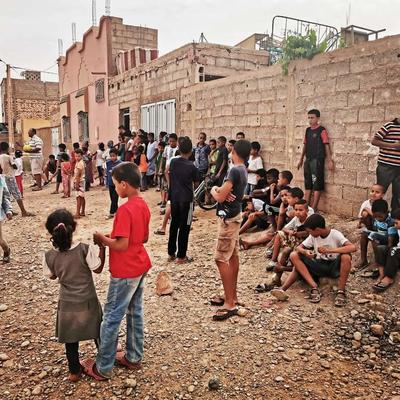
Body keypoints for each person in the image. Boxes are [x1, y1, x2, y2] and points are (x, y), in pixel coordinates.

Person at [83, 162, 152, 380]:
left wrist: (102, 239)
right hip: (140, 265)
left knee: (112, 316)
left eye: (114, 185)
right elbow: (143, 238)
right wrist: (113, 237)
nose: (114, 188)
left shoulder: (124, 209)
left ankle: (103, 367)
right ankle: (133, 356)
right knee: (135, 311)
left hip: (125, 270)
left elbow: (121, 245)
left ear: (123, 184)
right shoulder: (143, 205)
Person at [43, 208, 105, 382]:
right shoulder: (84, 249)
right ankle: (104, 362)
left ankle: (74, 372)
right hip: (88, 300)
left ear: (51, 232)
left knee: (70, 339)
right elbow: (98, 269)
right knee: (98, 331)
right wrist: (102, 247)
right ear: (74, 227)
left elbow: (52, 276)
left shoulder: (49, 255)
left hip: (67, 304)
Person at [272, 214, 356, 307]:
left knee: (346, 256)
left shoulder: (335, 234)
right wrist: (305, 252)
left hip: (334, 266)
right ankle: (313, 287)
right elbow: (299, 247)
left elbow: (352, 247)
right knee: (294, 255)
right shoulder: (313, 236)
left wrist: (330, 250)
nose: (309, 234)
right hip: (319, 265)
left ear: (317, 229)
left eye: (310, 231)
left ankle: (341, 292)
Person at [210, 139, 251, 321]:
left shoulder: (234, 170)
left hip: (228, 219)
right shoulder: (243, 169)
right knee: (233, 256)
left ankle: (229, 303)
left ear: (234, 151)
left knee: (220, 258)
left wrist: (214, 189)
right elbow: (230, 192)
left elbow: (220, 196)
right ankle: (232, 296)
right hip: (235, 215)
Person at [256, 200, 309, 292]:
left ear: (307, 211)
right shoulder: (296, 219)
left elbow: (309, 234)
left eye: (301, 210)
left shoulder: (309, 220)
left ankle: (280, 272)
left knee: (291, 253)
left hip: (306, 246)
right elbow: (285, 228)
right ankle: (276, 278)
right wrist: (290, 232)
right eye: (296, 210)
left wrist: (297, 234)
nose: (298, 212)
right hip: (297, 243)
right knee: (285, 249)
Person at [167, 137, 200, 263]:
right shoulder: (192, 167)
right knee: (185, 227)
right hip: (187, 199)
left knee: (174, 224)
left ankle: (171, 253)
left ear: (179, 149)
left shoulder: (173, 162)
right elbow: (196, 183)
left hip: (174, 198)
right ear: (191, 151)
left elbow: (167, 173)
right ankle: (181, 256)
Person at [297, 109, 334, 211]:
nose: (310, 120)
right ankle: (305, 206)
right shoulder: (308, 130)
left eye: (312, 118)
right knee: (308, 183)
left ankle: (313, 208)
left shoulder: (321, 130)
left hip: (317, 159)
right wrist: (301, 159)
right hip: (308, 159)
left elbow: (326, 145)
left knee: (316, 183)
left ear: (317, 118)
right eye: (309, 118)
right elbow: (305, 145)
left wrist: (329, 160)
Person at [371, 117, 400, 210]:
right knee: (378, 194)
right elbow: (374, 141)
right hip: (385, 167)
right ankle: (375, 215)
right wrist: (393, 145)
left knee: (398, 196)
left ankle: (395, 217)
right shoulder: (389, 126)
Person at [0, 142, 34, 217]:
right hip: (10, 177)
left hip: (3, 177)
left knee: (6, 195)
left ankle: (9, 211)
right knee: (17, 194)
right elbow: (14, 166)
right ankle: (23, 211)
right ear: (7, 148)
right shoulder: (8, 157)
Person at [357, 184, 385, 268]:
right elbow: (361, 217)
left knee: (374, 239)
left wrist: (367, 209)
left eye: (377, 192)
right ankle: (363, 260)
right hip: (370, 227)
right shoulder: (366, 203)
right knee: (364, 235)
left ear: (382, 195)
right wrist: (360, 222)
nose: (374, 194)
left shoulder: (382, 204)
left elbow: (379, 218)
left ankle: (377, 262)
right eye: (372, 191)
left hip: (380, 229)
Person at [373, 208, 400, 292]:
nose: (394, 225)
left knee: (393, 250)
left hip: (397, 250)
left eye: (396, 223)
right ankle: (382, 274)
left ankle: (389, 277)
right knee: (381, 248)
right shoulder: (398, 229)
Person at [105, 148, 122, 219]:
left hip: (117, 184)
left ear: (117, 155)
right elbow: (107, 172)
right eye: (111, 156)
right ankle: (117, 211)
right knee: (112, 199)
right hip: (110, 183)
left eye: (113, 156)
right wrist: (106, 183)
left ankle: (111, 213)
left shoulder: (120, 163)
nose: (112, 157)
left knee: (115, 198)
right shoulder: (108, 163)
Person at [0, 175, 12, 263]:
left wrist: (8, 210)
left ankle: (6, 250)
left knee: (0, 240)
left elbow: (5, 196)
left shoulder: (1, 180)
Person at [74, 149, 86, 218]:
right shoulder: (80, 162)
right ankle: (82, 211)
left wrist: (77, 184)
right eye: (76, 156)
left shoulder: (80, 164)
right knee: (82, 197)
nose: (77, 157)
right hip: (81, 181)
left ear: (82, 156)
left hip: (79, 181)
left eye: (78, 156)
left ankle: (78, 213)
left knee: (78, 197)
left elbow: (78, 175)